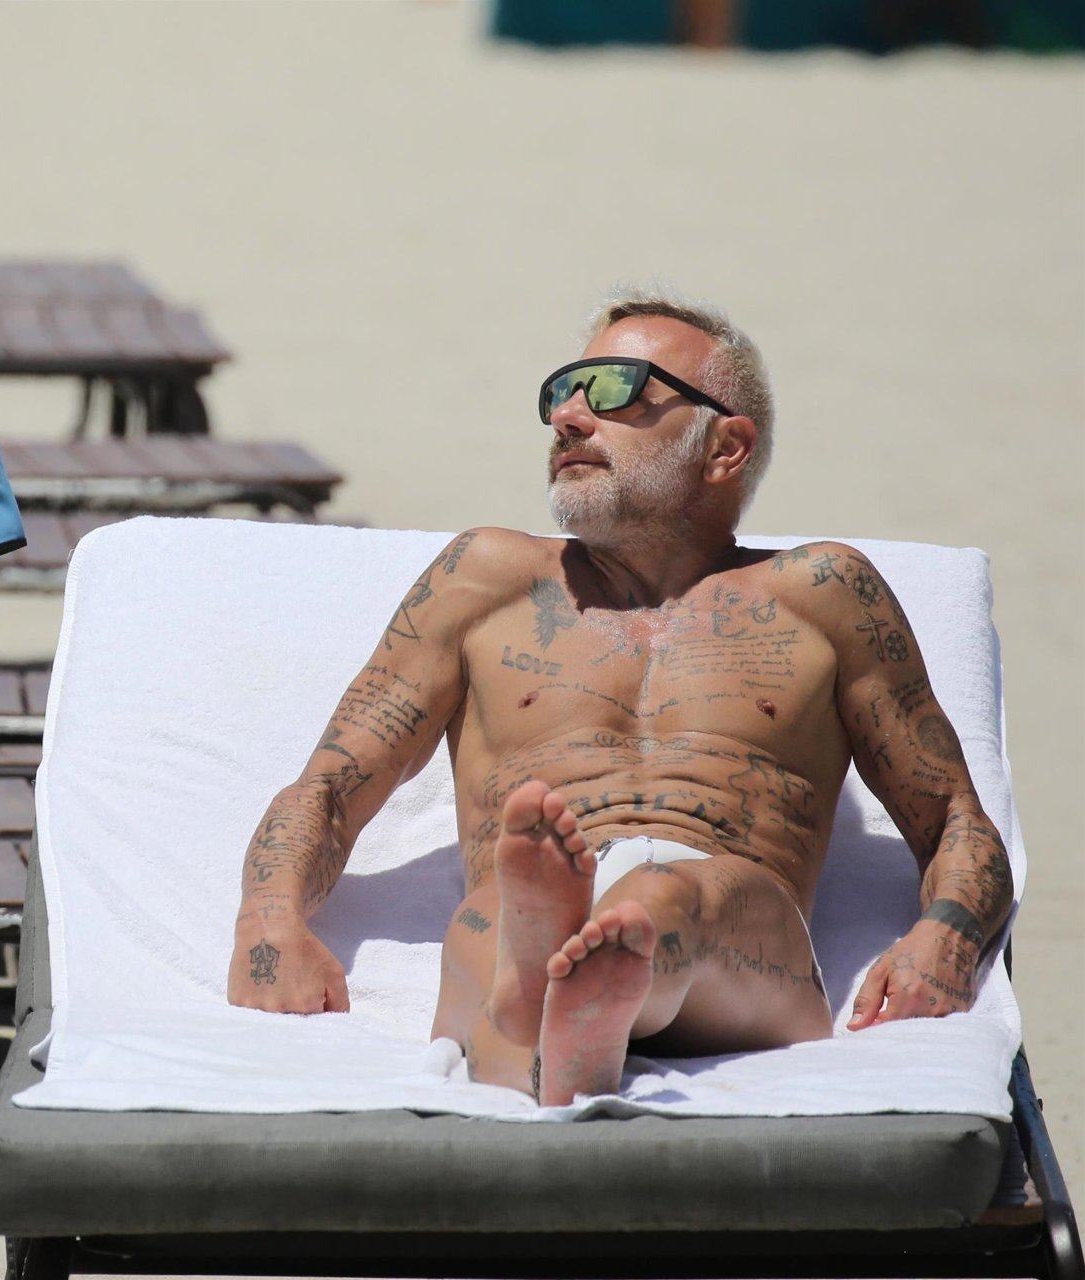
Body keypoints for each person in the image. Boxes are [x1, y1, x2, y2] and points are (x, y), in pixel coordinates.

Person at [225, 287, 1013, 1104]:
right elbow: (328, 788)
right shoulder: (484, 579)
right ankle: (551, 1015)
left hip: (739, 954)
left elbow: (955, 821)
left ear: (725, 447)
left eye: (613, 390)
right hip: (518, 908)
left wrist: (946, 938)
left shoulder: (823, 594)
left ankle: (555, 993)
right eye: (561, 393)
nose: (568, 416)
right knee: (495, 913)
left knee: (671, 897)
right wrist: (269, 923)